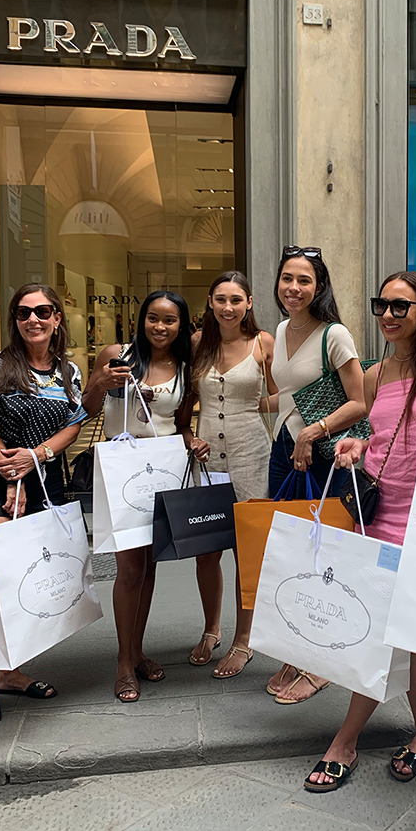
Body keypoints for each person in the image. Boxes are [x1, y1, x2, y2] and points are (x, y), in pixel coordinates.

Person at [304, 272, 416, 791]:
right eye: (383, 305)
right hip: (379, 509)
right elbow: (375, 439)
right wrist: (355, 448)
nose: (390, 314)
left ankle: (346, 740)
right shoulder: (375, 374)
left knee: (385, 626)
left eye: (403, 305)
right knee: (404, 626)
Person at [0, 283, 86, 726]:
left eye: (43, 311)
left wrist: (37, 458)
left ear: (57, 319)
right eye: (23, 312)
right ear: (15, 320)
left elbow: (73, 426)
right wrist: (13, 471)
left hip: (47, 484)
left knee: (28, 584)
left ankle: (10, 672)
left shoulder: (68, 372)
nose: (33, 319)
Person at [83, 290, 197, 704]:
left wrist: (193, 440)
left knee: (149, 567)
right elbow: (88, 409)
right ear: (141, 319)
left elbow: (181, 423)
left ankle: (137, 650)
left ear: (181, 325)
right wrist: (100, 381)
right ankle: (123, 662)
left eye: (169, 320)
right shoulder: (117, 354)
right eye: (153, 318)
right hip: (121, 470)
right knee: (128, 568)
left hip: (162, 472)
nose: (160, 327)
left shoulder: (185, 367)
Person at [265, 245, 367, 704]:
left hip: (325, 451)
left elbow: (358, 403)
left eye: (304, 280)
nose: (294, 288)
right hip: (284, 448)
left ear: (319, 287)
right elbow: (285, 395)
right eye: (288, 278)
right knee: (288, 547)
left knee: (323, 549)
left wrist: (314, 431)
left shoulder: (335, 334)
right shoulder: (281, 329)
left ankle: (321, 657)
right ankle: (299, 644)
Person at [180, 271, 276, 676]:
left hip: (252, 454)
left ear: (249, 303)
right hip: (207, 458)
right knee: (207, 549)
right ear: (210, 301)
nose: (228, 307)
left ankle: (244, 639)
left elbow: (277, 395)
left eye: (236, 300)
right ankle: (211, 628)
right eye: (221, 299)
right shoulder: (198, 344)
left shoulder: (263, 342)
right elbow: (184, 410)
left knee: (247, 550)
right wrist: (188, 438)